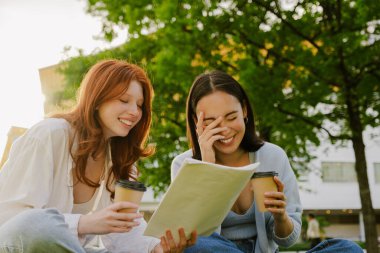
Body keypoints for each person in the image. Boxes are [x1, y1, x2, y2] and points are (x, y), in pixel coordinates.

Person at [0, 59, 195, 253]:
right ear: (97, 99)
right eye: (124, 100)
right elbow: (13, 220)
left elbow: (123, 228)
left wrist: (157, 248)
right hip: (16, 245)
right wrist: (84, 223)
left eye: (140, 105)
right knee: (38, 224)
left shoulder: (121, 160)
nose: (135, 112)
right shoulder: (49, 134)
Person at [171, 70, 363, 253]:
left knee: (348, 249)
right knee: (197, 243)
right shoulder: (184, 165)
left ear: (244, 110)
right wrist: (208, 168)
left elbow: (288, 239)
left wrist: (281, 218)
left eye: (231, 117)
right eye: (211, 123)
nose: (225, 130)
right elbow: (194, 237)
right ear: (196, 121)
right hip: (215, 249)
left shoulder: (272, 156)